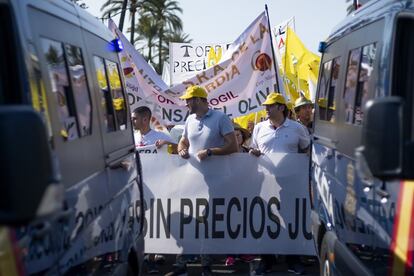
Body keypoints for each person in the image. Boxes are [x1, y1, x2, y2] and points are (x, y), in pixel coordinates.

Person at [167, 85, 238, 276]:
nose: (186, 103)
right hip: (192, 180)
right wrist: (182, 149)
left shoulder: (220, 118)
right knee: (186, 221)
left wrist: (210, 152)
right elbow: (184, 141)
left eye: (188, 100)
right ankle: (182, 264)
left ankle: (206, 265)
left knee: (207, 224)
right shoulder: (189, 119)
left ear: (198, 100)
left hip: (215, 182)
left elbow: (233, 146)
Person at [249, 92, 310, 275]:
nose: (266, 108)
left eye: (270, 105)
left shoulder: (297, 128)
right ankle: (267, 260)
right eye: (266, 105)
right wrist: (253, 152)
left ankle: (293, 259)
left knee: (291, 219)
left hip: (291, 182)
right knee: (266, 219)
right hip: (266, 182)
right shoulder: (259, 128)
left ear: (281, 107)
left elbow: (306, 149)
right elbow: (253, 147)